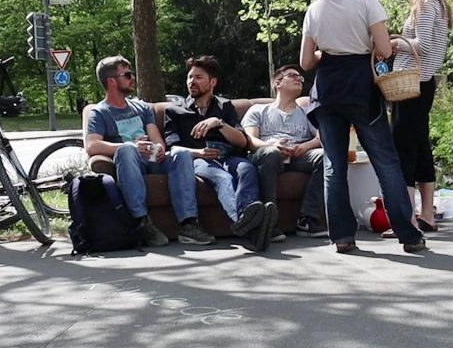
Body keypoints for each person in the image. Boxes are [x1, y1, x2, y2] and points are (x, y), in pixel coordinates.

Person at [299, 0, 426, 254]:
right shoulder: (366, 1)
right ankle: (408, 234)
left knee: (334, 165)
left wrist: (325, 51)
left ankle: (342, 237)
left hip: (327, 89)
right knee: (386, 160)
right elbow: (383, 50)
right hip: (360, 87)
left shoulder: (314, 9)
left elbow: (305, 62)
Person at [85, 55, 214, 246]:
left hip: (153, 160)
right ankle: (142, 221)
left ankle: (189, 224)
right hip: (130, 162)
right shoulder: (99, 112)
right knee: (127, 150)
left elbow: (157, 140)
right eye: (127, 75)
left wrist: (159, 149)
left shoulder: (142, 107)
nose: (133, 78)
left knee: (181, 153)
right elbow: (92, 145)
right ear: (111, 81)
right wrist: (130, 146)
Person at [163, 55, 275, 252]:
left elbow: (242, 141)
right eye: (190, 77)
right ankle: (248, 223)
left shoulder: (225, 107)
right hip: (199, 160)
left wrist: (219, 122)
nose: (192, 82)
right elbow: (172, 148)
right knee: (222, 177)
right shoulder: (174, 110)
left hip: (229, 157)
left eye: (198, 77)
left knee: (247, 168)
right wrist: (199, 152)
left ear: (212, 82)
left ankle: (251, 223)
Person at [381, 0, 452, 238]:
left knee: (403, 149)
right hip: (423, 83)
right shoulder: (439, 2)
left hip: (411, 83)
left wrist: (394, 44)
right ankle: (427, 215)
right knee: (421, 147)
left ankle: (407, 218)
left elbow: (422, 44)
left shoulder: (423, 2)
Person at [242, 65, 327, 240]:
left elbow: (320, 137)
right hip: (267, 154)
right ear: (277, 83)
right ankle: (268, 221)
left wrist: (305, 146)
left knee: (327, 157)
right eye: (292, 76)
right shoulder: (258, 110)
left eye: (300, 78)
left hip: (298, 155)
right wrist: (271, 145)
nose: (299, 79)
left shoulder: (305, 111)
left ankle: (307, 219)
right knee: (271, 153)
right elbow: (249, 140)